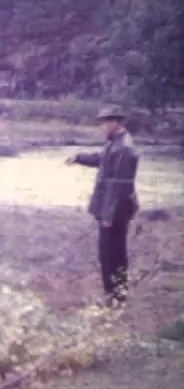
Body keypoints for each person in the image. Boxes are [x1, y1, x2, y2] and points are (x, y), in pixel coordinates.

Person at [66, 106, 140, 308]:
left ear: (117, 123)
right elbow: (101, 160)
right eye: (101, 122)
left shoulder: (124, 148)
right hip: (111, 208)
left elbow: (119, 186)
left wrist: (108, 215)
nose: (102, 126)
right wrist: (79, 157)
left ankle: (116, 298)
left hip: (115, 210)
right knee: (109, 254)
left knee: (113, 254)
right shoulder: (115, 144)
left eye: (105, 122)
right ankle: (113, 296)